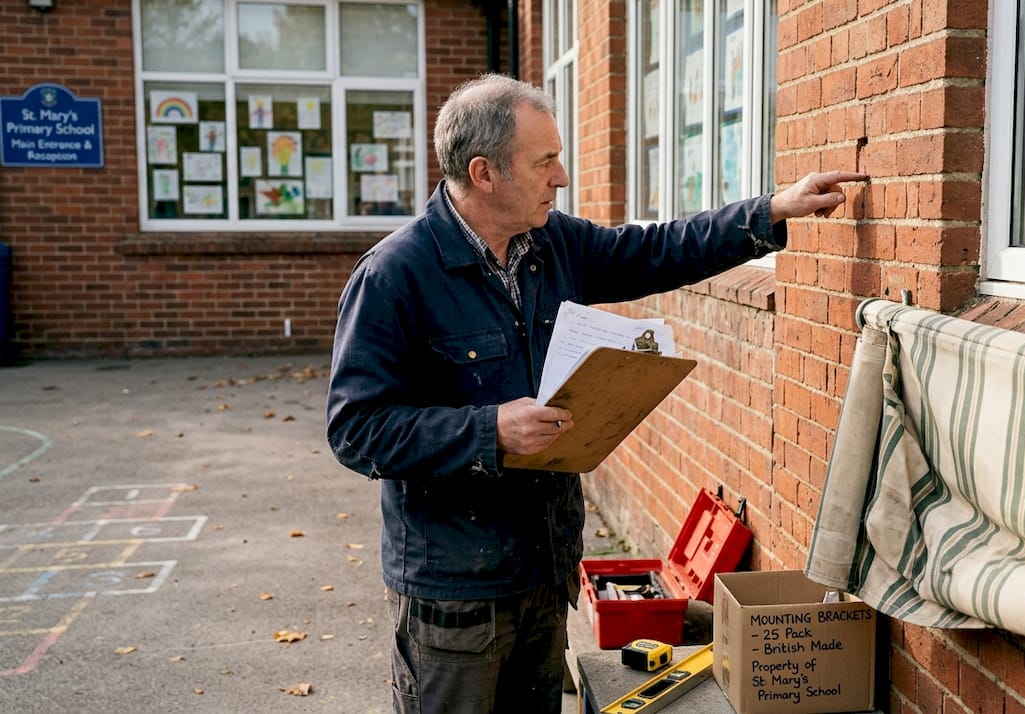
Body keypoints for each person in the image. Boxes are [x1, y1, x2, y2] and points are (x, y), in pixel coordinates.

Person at [325, 73, 867, 714]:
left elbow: (660, 249)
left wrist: (771, 210)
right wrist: (487, 431)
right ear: (485, 172)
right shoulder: (395, 277)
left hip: (544, 572)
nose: (561, 177)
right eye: (545, 161)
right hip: (454, 596)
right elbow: (356, 429)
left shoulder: (552, 246)